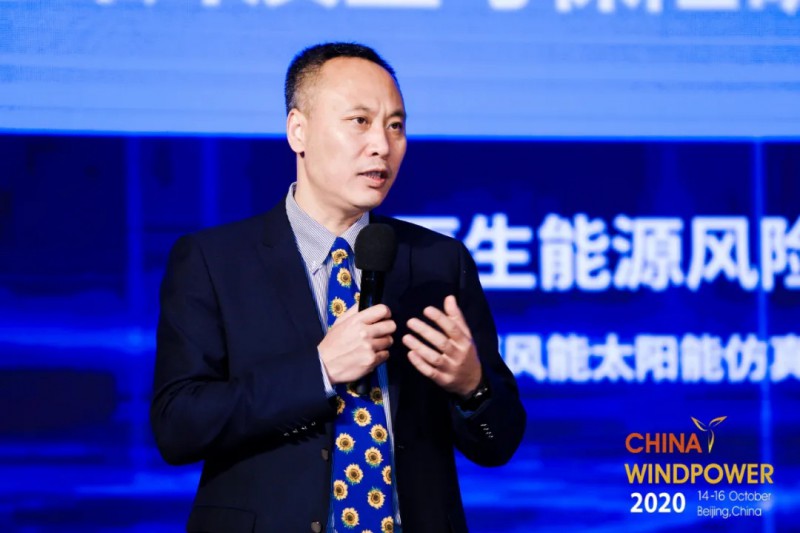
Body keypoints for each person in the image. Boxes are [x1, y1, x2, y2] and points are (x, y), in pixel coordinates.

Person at [151, 42, 526, 533]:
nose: (382, 145)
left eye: (396, 126)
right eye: (359, 121)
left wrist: (472, 387)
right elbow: (178, 426)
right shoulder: (214, 261)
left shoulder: (439, 262)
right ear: (298, 130)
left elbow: (498, 444)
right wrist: (320, 371)